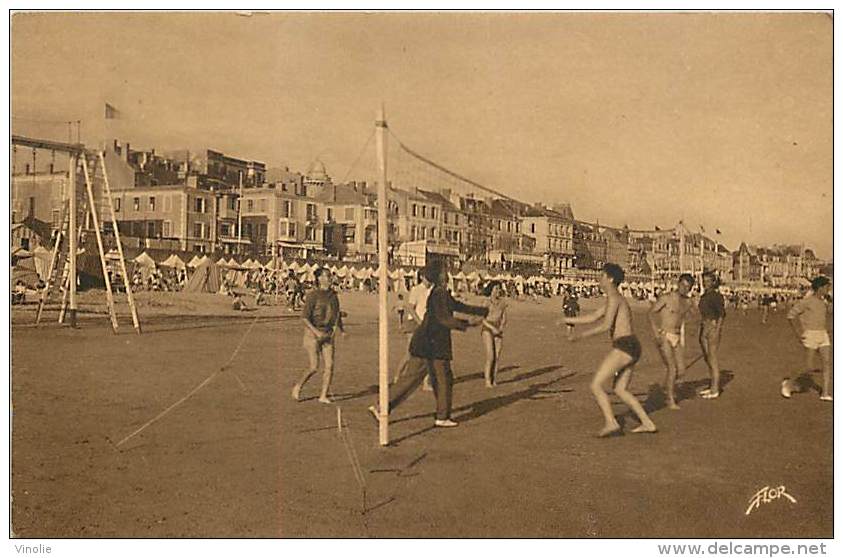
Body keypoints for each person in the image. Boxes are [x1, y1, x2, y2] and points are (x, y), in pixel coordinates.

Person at [369, 260, 487, 428]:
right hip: (432, 344)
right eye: (443, 273)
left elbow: (457, 305)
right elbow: (444, 319)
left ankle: (382, 407)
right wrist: (468, 323)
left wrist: (481, 311)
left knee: (415, 379)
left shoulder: (440, 293)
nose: (446, 275)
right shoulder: (440, 293)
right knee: (442, 379)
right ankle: (441, 416)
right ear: (438, 276)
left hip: (427, 341)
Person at [563, 263, 657, 437]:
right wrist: (567, 320)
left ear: (610, 279)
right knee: (620, 389)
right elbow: (594, 316)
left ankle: (611, 423)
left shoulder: (614, 298)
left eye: (602, 276)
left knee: (596, 384)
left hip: (624, 345)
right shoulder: (615, 298)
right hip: (632, 345)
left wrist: (580, 336)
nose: (600, 279)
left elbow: (605, 325)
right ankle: (647, 423)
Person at [292, 267, 345, 404]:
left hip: (328, 333)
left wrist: (340, 330)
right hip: (312, 334)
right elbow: (304, 317)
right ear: (319, 279)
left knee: (329, 366)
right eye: (326, 276)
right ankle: (298, 386)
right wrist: (316, 332)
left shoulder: (333, 296)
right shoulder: (313, 295)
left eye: (329, 276)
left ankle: (323, 395)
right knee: (314, 366)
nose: (329, 278)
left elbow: (336, 314)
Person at [781, 276, 833, 402]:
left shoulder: (823, 302)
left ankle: (825, 393)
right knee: (809, 367)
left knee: (827, 363)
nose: (828, 289)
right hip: (810, 334)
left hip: (823, 334)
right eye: (826, 287)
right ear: (820, 288)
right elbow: (791, 315)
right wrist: (798, 333)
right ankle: (788, 385)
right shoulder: (807, 301)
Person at [648, 273, 695, 410]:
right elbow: (651, 313)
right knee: (672, 368)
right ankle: (670, 399)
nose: (684, 289)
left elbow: (694, 317)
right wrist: (655, 331)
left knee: (681, 370)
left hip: (677, 335)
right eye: (683, 285)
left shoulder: (688, 302)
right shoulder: (666, 298)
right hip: (664, 334)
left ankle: (665, 389)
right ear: (678, 284)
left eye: (688, 287)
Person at [393, 272, 434, 389]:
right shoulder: (416, 290)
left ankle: (426, 382)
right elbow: (410, 308)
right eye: (428, 277)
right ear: (422, 277)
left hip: (426, 324)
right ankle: (398, 375)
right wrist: (419, 322)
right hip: (414, 323)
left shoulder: (432, 290)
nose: (430, 279)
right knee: (410, 353)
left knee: (428, 354)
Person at [698, 271, 726, 399]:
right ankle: (712, 385)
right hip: (704, 327)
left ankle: (715, 389)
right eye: (704, 281)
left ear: (714, 282)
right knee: (707, 358)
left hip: (713, 327)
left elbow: (721, 315)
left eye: (708, 281)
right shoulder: (704, 296)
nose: (705, 283)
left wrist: (717, 330)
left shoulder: (716, 296)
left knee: (712, 358)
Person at [481, 281, 507, 387]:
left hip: (498, 328)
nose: (497, 291)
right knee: (490, 356)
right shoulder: (486, 302)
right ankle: (487, 380)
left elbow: (504, 317)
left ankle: (494, 379)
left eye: (499, 289)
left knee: (497, 356)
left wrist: (500, 327)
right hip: (487, 328)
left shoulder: (502, 303)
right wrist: (492, 328)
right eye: (495, 289)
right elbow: (481, 319)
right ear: (491, 290)